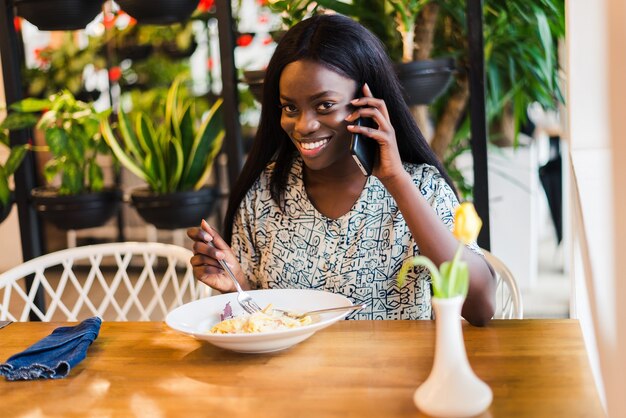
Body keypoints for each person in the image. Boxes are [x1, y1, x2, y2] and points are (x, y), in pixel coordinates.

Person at [187, 14, 495, 325]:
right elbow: (259, 323)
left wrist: (396, 181)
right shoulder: (264, 194)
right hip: (291, 375)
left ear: (368, 103)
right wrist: (239, 281)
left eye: (325, 105)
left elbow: (480, 308)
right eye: (290, 107)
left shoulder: (422, 187)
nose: (304, 125)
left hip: (397, 373)